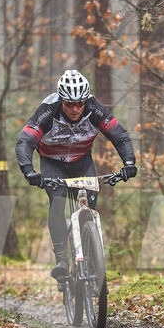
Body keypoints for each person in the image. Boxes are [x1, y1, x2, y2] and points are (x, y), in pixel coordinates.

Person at [15, 70, 137, 277]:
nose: (75, 108)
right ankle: (62, 258)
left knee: (89, 203)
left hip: (81, 162)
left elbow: (120, 135)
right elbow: (25, 141)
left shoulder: (94, 108)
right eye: (69, 104)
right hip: (52, 162)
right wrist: (29, 171)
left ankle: (91, 252)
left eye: (79, 103)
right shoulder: (47, 111)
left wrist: (129, 162)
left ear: (85, 101)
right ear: (61, 100)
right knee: (58, 201)